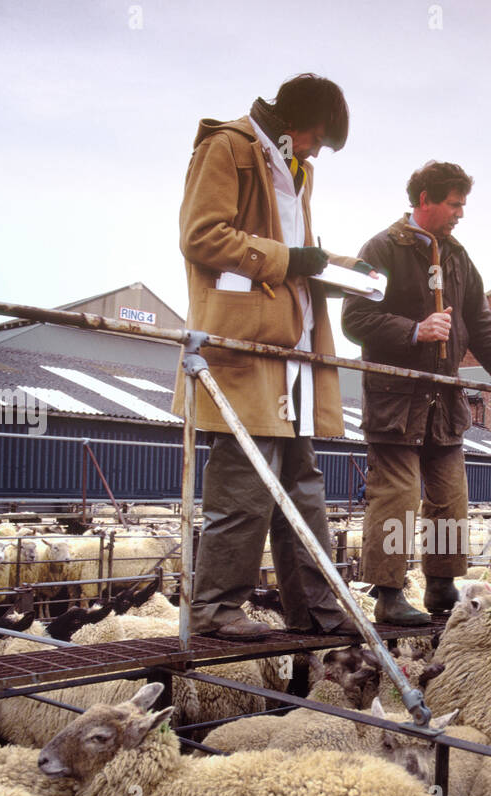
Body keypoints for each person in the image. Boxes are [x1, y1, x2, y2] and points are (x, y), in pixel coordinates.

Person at [172, 73, 365, 638]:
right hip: (243, 344)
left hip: (295, 349)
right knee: (243, 480)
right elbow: (201, 235)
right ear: (292, 122)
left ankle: (318, 609)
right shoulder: (228, 146)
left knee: (300, 483)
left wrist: (338, 270)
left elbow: (292, 255)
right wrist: (295, 260)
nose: (315, 152)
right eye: (317, 139)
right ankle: (213, 608)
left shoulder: (294, 170)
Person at [341, 160, 491, 624]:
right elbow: (354, 319)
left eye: (463, 203)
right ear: (424, 199)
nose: (461, 212)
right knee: (397, 497)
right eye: (453, 203)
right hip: (396, 399)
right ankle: (388, 594)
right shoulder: (381, 248)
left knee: (449, 496)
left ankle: (442, 587)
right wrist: (415, 330)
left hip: (444, 401)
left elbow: (481, 321)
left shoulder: (459, 257)